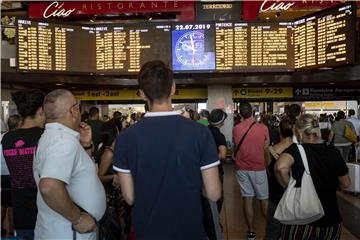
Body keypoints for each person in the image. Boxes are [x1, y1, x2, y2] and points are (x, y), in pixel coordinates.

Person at [113, 60, 221, 239]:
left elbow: (130, 198)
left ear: (141, 94)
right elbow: (213, 193)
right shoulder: (200, 133)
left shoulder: (125, 138)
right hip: (190, 232)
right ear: (173, 88)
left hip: (148, 232)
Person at [33, 89, 106, 240]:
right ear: (73, 111)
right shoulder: (62, 141)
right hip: (70, 232)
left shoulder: (53, 137)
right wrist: (77, 218)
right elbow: (49, 186)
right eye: (77, 106)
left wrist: (85, 146)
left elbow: (76, 173)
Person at [275, 114, 350, 240]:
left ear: (299, 133)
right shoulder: (333, 152)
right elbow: (346, 184)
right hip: (331, 220)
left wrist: (288, 186)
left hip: (302, 220)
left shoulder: (296, 150)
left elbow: (280, 167)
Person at [1, 89, 45, 240]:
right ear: (40, 110)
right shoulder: (45, 137)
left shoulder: (7, 139)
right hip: (45, 214)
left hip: (20, 212)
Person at [232, 102, 269, 240]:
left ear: (240, 113)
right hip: (259, 168)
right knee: (263, 199)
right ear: (253, 112)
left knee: (247, 198)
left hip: (241, 168)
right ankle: (270, 229)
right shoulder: (263, 128)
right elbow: (266, 147)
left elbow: (236, 145)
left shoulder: (236, 128)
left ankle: (251, 231)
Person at [264, 117, 294, 240]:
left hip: (276, 196)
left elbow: (268, 172)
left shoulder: (269, 150)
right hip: (294, 196)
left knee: (272, 232)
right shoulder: (299, 150)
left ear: (279, 132)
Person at [202, 108, 228, 240]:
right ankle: (214, 224)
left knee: (205, 201)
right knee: (216, 200)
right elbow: (223, 154)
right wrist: (210, 160)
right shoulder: (219, 135)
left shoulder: (203, 131)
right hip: (215, 172)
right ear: (221, 122)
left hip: (201, 173)